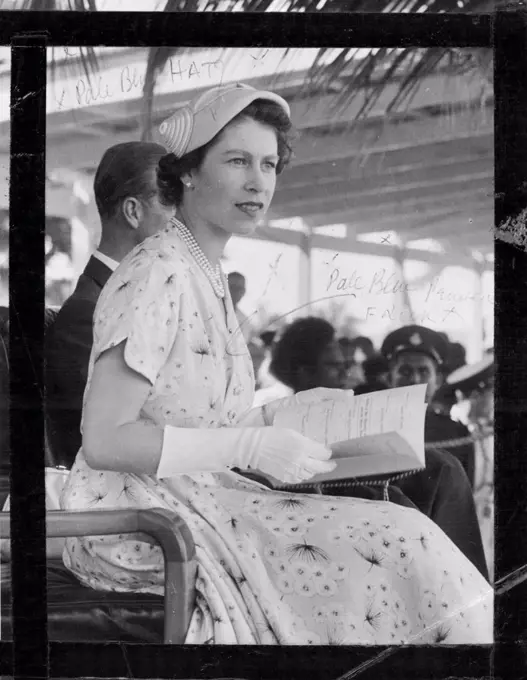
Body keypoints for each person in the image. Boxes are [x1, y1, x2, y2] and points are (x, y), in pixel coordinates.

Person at [60, 83, 492, 645]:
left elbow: (201, 414)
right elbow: (105, 440)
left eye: (268, 164)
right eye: (237, 161)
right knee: (400, 539)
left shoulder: (205, 273)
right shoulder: (155, 272)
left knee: (404, 533)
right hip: (141, 515)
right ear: (187, 172)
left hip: (203, 493)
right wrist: (249, 447)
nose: (258, 181)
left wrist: (288, 413)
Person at [271, 317, 488, 578]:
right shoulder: (284, 425)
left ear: (438, 378)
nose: (346, 374)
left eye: (347, 365)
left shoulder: (453, 434)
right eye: (334, 366)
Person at [45, 142, 175, 468]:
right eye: (173, 203)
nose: (183, 221)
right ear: (133, 212)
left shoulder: (138, 299)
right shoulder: (86, 316)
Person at [381, 325, 476, 488]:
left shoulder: (457, 434)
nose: (415, 380)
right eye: (405, 371)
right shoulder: (372, 431)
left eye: (424, 371)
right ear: (390, 379)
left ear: (438, 380)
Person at [228, 271, 253, 343]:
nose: (236, 291)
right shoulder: (209, 312)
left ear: (244, 292)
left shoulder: (244, 320)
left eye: (239, 288)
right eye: (232, 287)